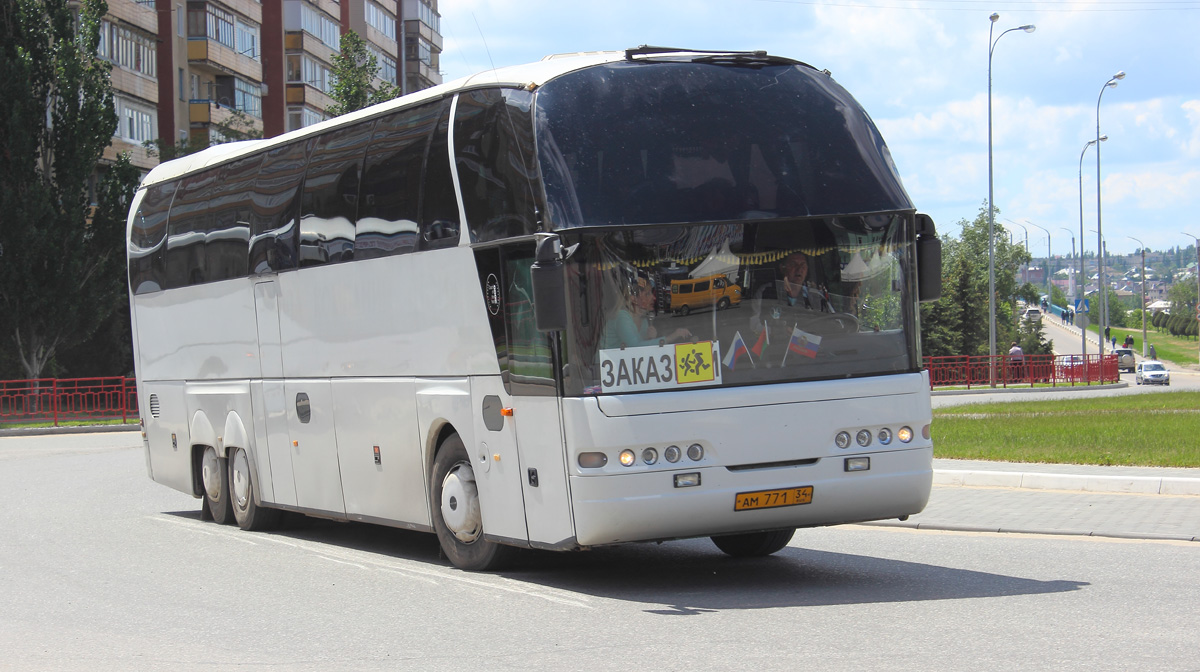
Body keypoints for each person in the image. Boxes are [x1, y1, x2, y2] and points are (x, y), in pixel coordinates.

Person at [601, 276, 691, 349]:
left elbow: (642, 351)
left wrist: (650, 339)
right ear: (634, 299)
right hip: (601, 368)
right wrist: (670, 338)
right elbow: (635, 347)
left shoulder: (643, 321)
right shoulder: (621, 317)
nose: (653, 298)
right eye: (647, 294)